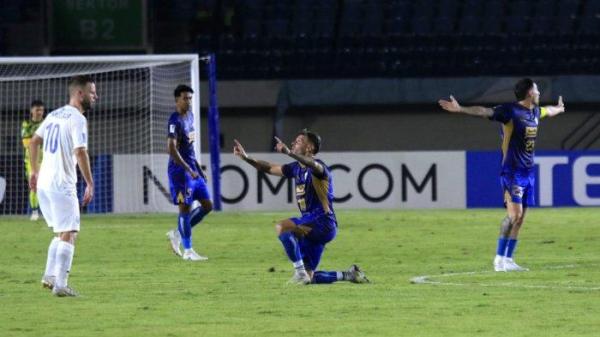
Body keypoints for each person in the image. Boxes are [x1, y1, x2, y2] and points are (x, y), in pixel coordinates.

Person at [438, 78, 565, 272]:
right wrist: (461, 108)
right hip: (512, 172)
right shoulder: (510, 111)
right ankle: (498, 258)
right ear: (530, 92)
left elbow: (549, 110)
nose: (539, 93)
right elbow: (484, 111)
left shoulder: (535, 112)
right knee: (515, 215)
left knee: (521, 219)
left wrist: (559, 108)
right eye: (537, 90)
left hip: (528, 172)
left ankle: (508, 259)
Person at [233, 129, 369, 285]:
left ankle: (299, 272)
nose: (293, 143)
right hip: (314, 224)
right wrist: (245, 157)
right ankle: (348, 275)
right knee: (310, 277)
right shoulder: (295, 168)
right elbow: (268, 168)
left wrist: (289, 153)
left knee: (282, 227)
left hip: (322, 221)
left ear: (310, 148)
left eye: (298, 141)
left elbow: (312, 163)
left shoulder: (319, 168)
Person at [29, 75, 97, 296]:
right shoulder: (77, 118)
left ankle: (49, 276)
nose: (95, 96)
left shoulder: (53, 115)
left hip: (45, 183)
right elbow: (80, 151)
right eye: (92, 92)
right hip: (61, 184)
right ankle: (61, 284)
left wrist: (34, 170)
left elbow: (34, 141)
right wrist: (89, 182)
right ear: (80, 94)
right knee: (70, 232)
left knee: (61, 232)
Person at [165, 84, 212, 261]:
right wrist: (188, 169)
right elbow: (170, 149)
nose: (189, 101)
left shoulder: (190, 117)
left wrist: (198, 169)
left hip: (192, 169)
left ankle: (177, 233)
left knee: (207, 206)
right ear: (177, 100)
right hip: (180, 172)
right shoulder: (174, 121)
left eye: (190, 98)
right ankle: (188, 251)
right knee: (184, 209)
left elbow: (189, 148)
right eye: (185, 98)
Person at [21, 100, 45, 221]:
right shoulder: (27, 124)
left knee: (48, 186)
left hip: (46, 159)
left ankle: (48, 211)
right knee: (35, 185)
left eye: (41, 110)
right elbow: (26, 143)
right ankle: (35, 212)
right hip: (31, 160)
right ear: (32, 111)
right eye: (37, 110)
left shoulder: (47, 123)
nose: (40, 112)